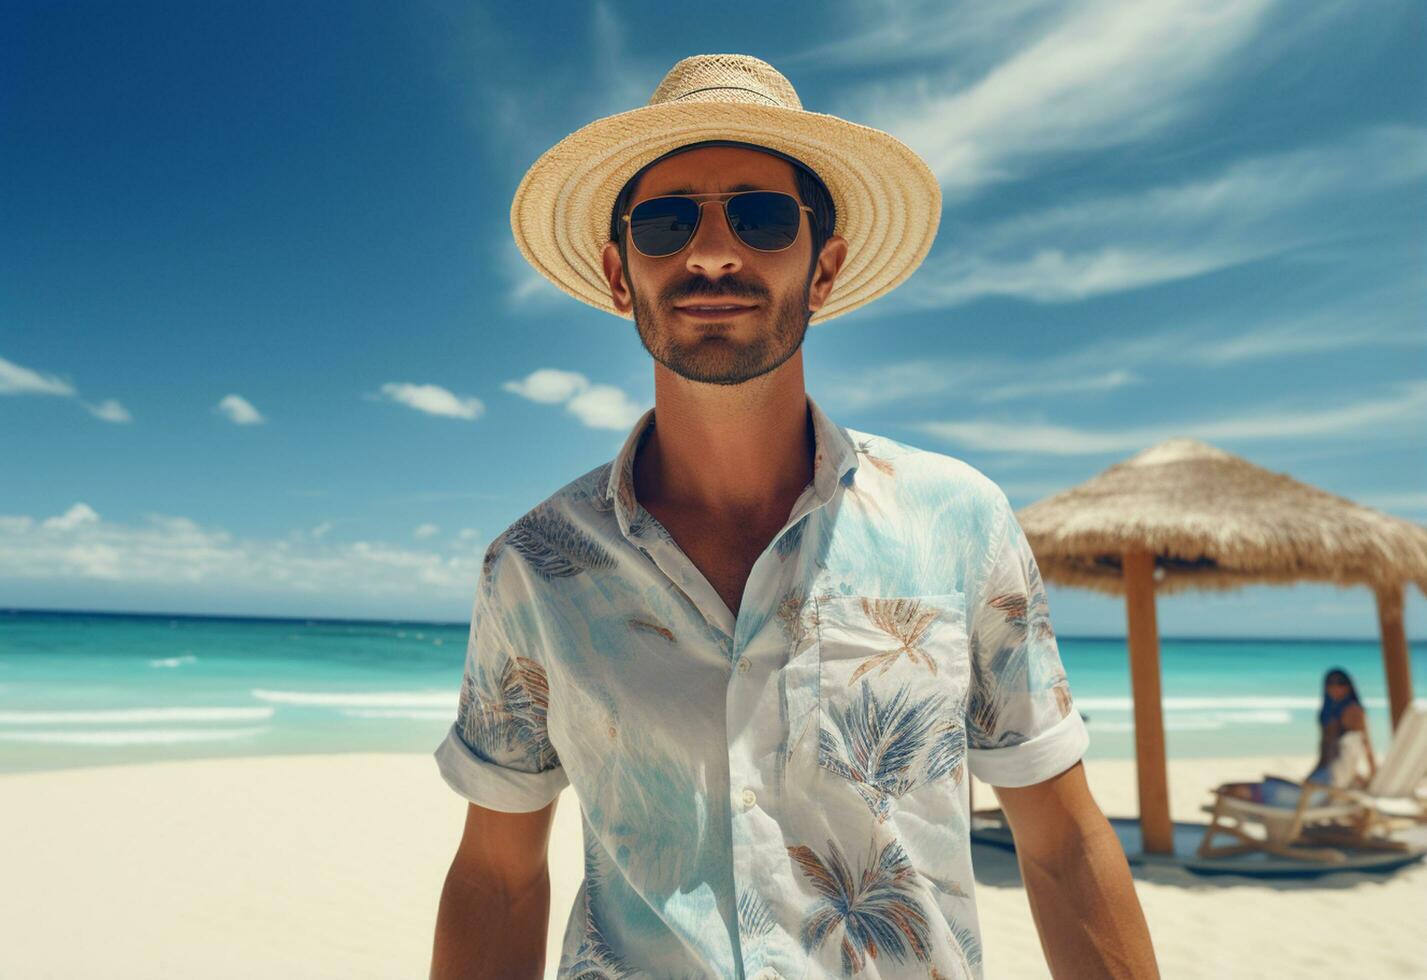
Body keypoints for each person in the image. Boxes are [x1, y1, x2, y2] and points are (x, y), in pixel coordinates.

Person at [430, 54, 1159, 979]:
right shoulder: (533, 567)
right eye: (665, 222)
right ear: (620, 276)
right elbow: (495, 877)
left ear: (825, 268)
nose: (712, 252)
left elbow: (1058, 841)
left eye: (763, 216)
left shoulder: (959, 521)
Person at [1219, 667, 1378, 809]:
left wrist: (1372, 773)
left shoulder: (1352, 712)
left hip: (1320, 792)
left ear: (1349, 686)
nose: (1335, 687)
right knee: (1235, 787)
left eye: (1340, 683)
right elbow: (1331, 757)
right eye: (1330, 683)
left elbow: (1363, 746)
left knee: (1234, 789)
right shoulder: (1331, 716)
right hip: (1320, 786)